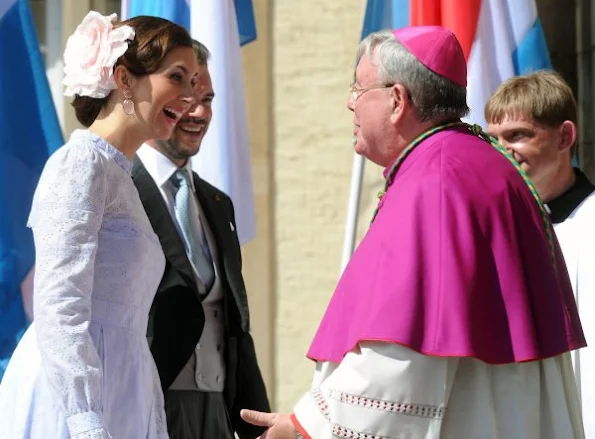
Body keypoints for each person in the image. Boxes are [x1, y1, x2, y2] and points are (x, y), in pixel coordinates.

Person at [240, 26, 586, 438]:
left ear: (397, 100)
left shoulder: (436, 182)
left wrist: (303, 427)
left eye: (359, 87)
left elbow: (402, 356)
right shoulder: (477, 163)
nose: (350, 102)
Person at [0, 11, 199, 439]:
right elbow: (58, 303)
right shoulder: (81, 163)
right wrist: (85, 420)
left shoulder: (119, 175)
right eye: (178, 76)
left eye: (195, 81)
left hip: (123, 387)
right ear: (124, 78)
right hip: (72, 397)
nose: (189, 95)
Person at [132, 39, 270, 439]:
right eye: (187, 97)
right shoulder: (119, 188)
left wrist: (252, 417)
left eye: (207, 98)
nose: (199, 112)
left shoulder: (216, 202)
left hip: (218, 411)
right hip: (149, 404)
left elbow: (233, 321)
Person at [486, 71, 595, 438]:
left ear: (565, 136)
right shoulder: (495, 231)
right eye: (493, 139)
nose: (503, 150)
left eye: (517, 135)